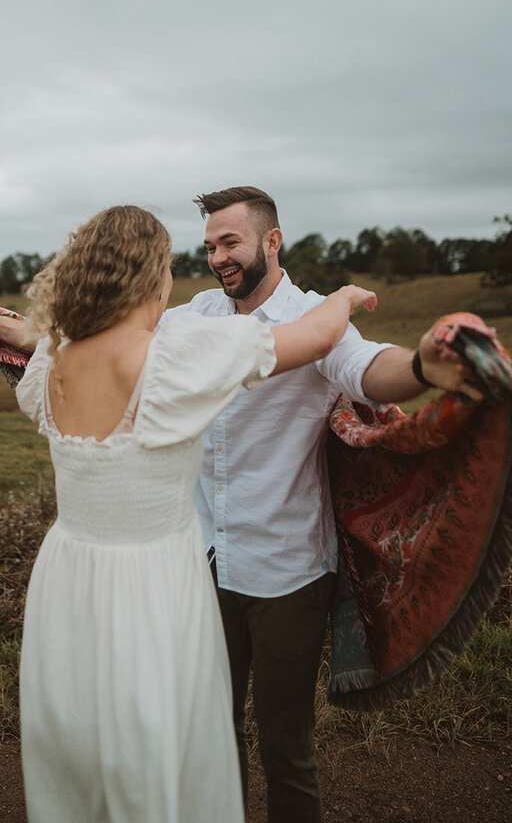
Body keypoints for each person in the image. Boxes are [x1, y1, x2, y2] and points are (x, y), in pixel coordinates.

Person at [0, 203, 380, 823]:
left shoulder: (55, 361)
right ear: (150, 276)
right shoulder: (171, 354)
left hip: (67, 580)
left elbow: (50, 348)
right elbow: (318, 336)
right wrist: (345, 297)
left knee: (89, 741)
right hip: (152, 580)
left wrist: (6, 328)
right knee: (165, 738)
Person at [167, 185, 478, 823]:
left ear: (271, 241)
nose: (218, 257)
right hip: (202, 563)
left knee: (286, 746)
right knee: (206, 737)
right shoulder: (194, 314)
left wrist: (422, 364)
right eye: (209, 246)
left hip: (288, 567)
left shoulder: (316, 318)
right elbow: (122, 348)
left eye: (230, 242)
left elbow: (368, 367)